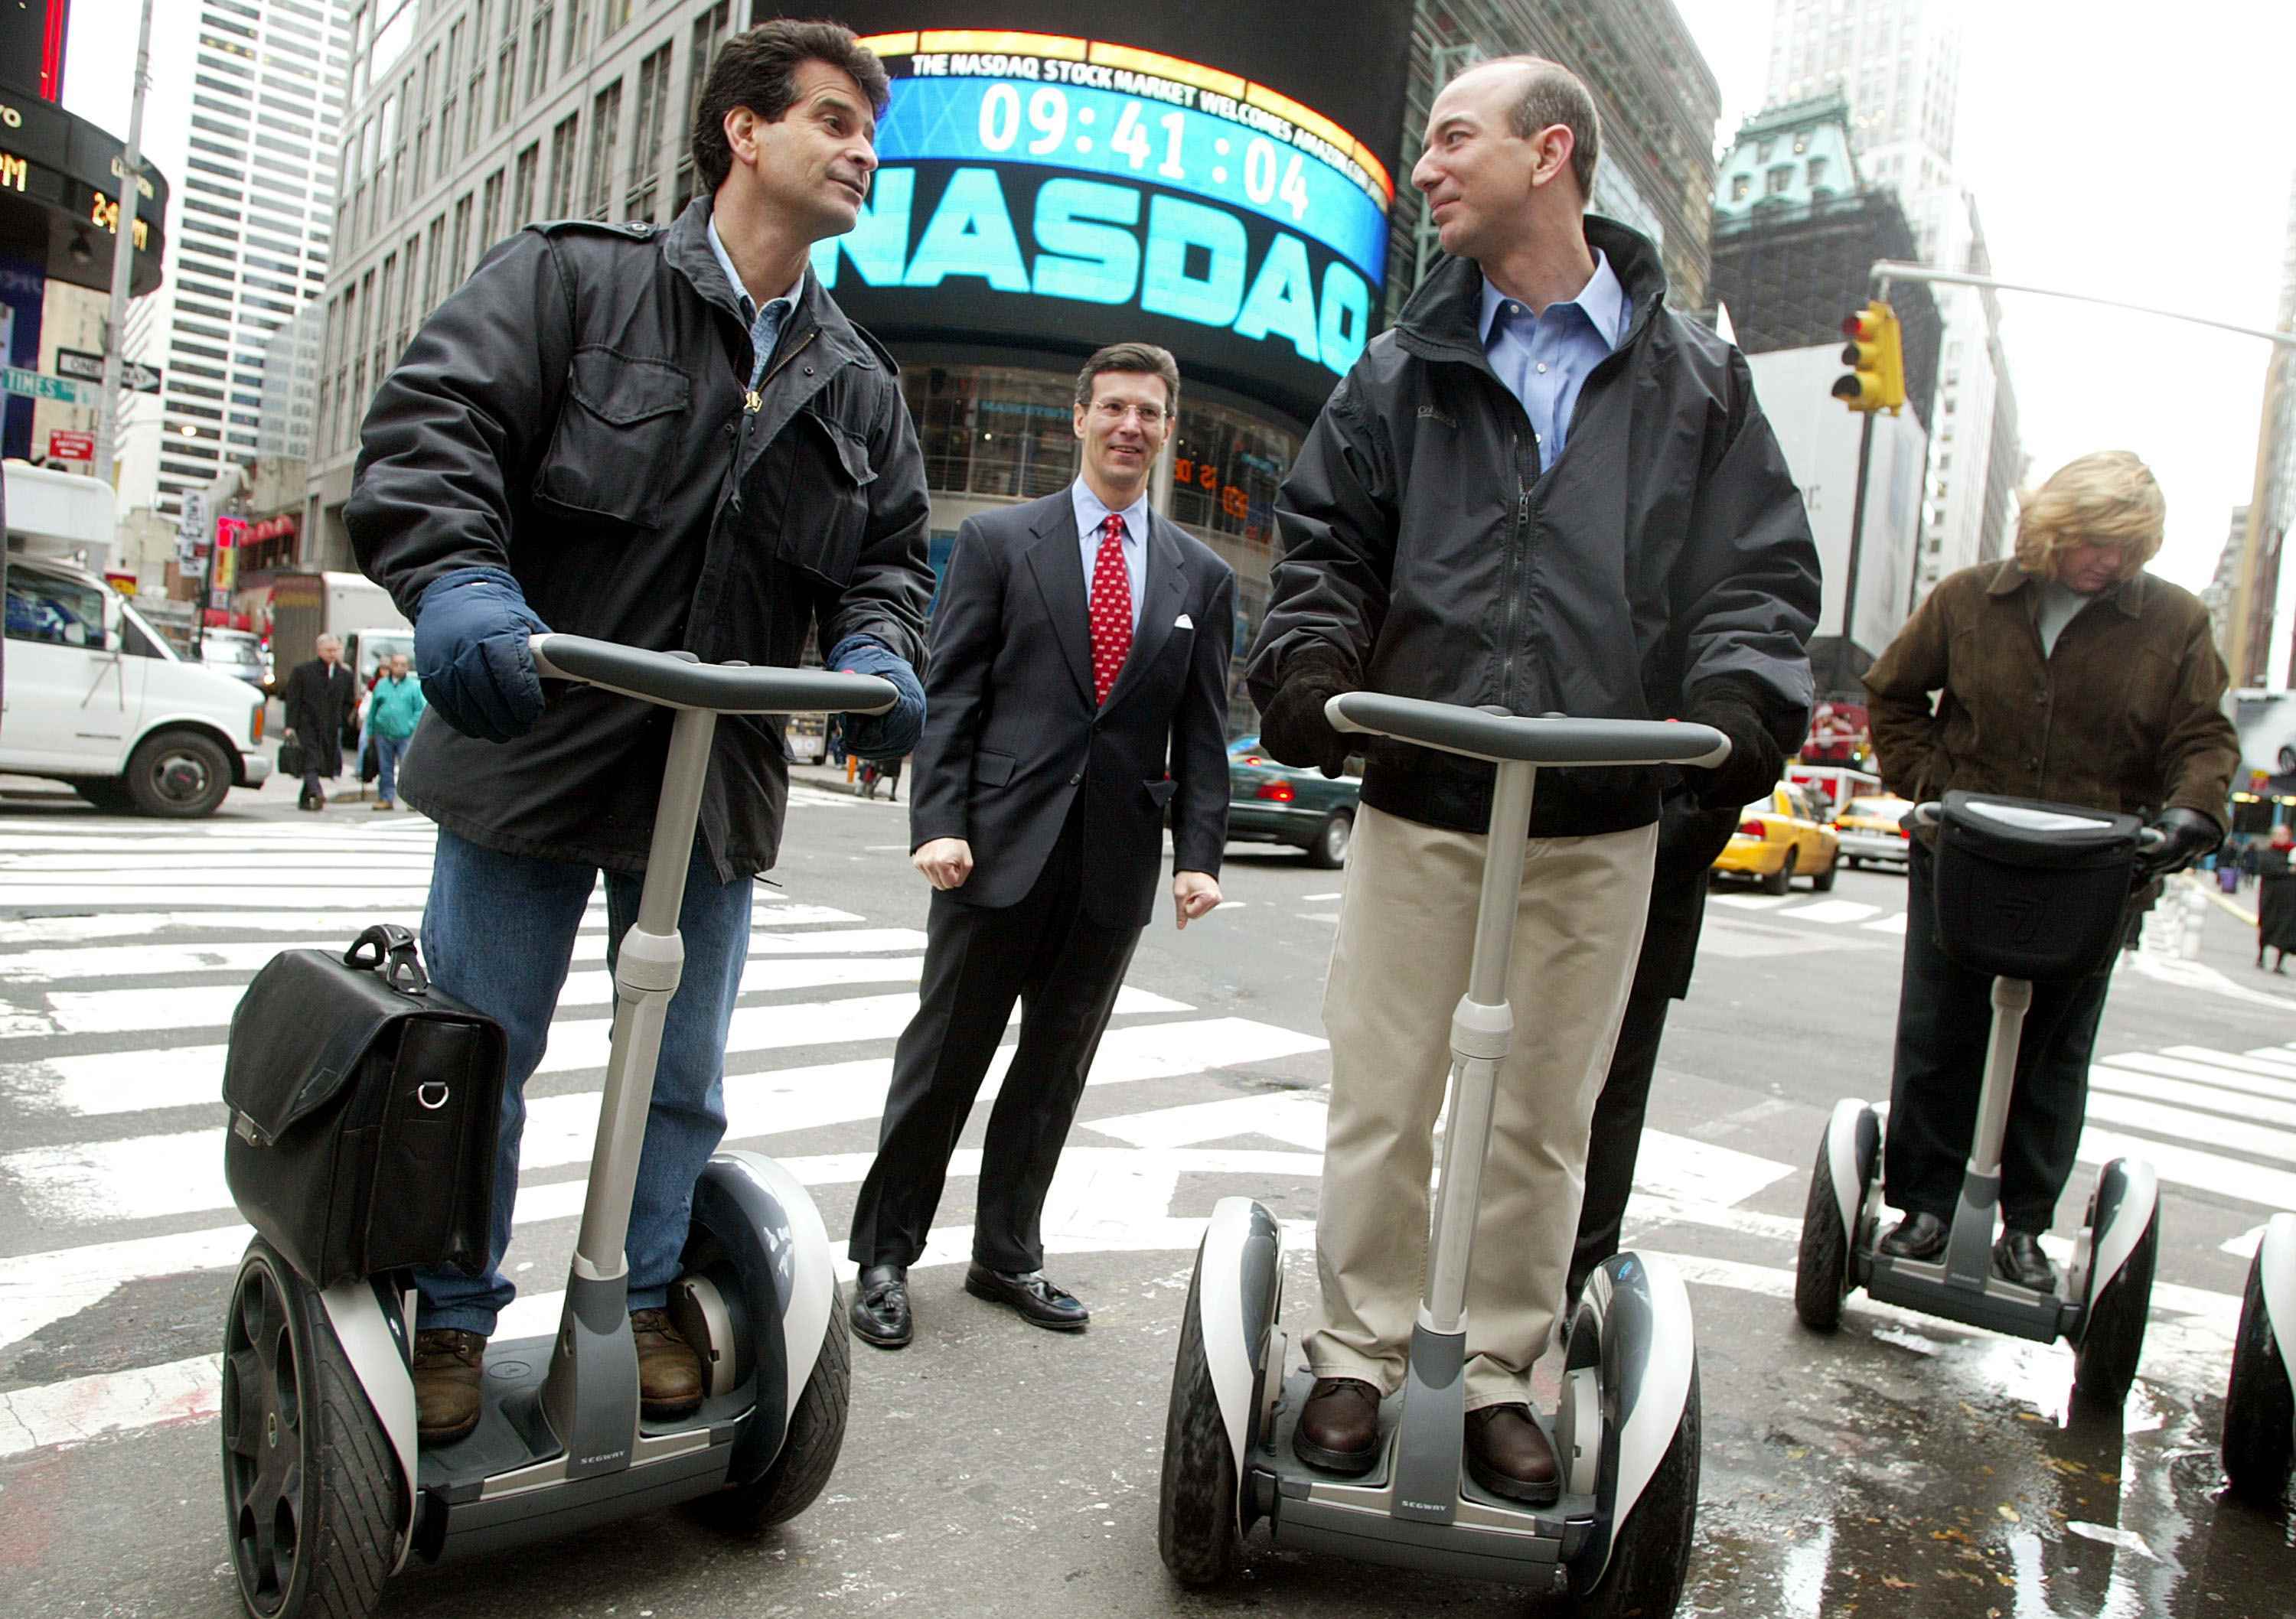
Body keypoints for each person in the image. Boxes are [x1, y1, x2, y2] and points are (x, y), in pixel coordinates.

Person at [348, 20, 933, 1444]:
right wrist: (464, 583)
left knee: (682, 1073)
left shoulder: (857, 379)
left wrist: (875, 647)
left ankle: (650, 1292)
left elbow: (892, 557)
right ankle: (450, 1316)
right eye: (834, 121)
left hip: (714, 772)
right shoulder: (574, 281)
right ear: (744, 131)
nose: (864, 150)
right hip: (533, 737)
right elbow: (434, 431)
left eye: (871, 131)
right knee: (478, 1051)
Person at [1244, 56, 1819, 1503]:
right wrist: (1313, 670)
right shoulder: (1399, 370)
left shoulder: (1697, 380)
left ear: (1548, 153)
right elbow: (1325, 551)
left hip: (1602, 803)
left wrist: (1739, 706)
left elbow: (1754, 575)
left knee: (1545, 1112)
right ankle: (1363, 1354)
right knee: (1385, 1093)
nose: (1426, 167)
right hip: (1426, 791)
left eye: (1454, 139)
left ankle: (1502, 1362)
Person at [845, 343, 1234, 1349]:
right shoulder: (999, 541)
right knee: (944, 1065)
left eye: (1149, 412)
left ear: (1166, 428)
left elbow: (1200, 734)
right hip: (994, 853)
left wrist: (1198, 856)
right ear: (1078, 418)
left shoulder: (1202, 575)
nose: (1129, 427)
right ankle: (886, 1256)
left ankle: (1007, 1254)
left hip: (1112, 867)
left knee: (1055, 1071)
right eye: (1113, 407)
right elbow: (957, 691)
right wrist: (938, 824)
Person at [1863, 451, 2236, 1289]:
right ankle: (1921, 1206)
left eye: (2130, 547)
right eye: (2099, 541)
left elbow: (2202, 735)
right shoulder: (1967, 598)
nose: (2113, 561)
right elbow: (1892, 694)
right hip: (1967, 855)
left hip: (2094, 871)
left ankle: (2026, 1224)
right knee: (1938, 1030)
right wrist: (1932, 789)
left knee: (2056, 1050)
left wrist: (2192, 811)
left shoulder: (2173, 621)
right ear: (2055, 528)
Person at [1567, 790, 1741, 1305]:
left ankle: (1586, 1281)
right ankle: (1493, 1271)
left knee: (1613, 1101)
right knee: (1506, 1081)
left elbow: (1725, 782)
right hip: (1541, 869)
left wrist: (1615, 855)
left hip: (1652, 892)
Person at [280, 634, 354, 812]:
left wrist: (342, 719)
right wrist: (290, 726)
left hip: (330, 726)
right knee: (311, 758)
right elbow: (293, 701)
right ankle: (316, 791)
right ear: (319, 651)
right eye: (329, 650)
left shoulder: (344, 674)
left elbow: (348, 701)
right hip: (307, 724)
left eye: (335, 650)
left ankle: (305, 799)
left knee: (322, 760)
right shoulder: (303, 671)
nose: (332, 654)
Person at [364, 652, 426, 811]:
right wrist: (371, 730)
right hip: (383, 733)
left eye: (403, 664)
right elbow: (373, 709)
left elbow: (420, 709)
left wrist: (411, 726)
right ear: (390, 666)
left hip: (405, 734)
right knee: (385, 768)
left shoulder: (414, 686)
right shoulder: (382, 684)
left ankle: (412, 800)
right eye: (396, 664)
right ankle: (386, 798)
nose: (399, 667)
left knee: (408, 768)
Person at [2258, 825, 2296, 972]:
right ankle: (2261, 956)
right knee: (2268, 926)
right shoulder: (2268, 853)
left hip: (2290, 901)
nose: (2282, 838)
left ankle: (2280, 963)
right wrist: (2288, 870)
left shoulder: (2292, 853)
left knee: (2287, 931)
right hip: (2271, 899)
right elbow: (2268, 869)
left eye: (2285, 835)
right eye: (2279, 835)